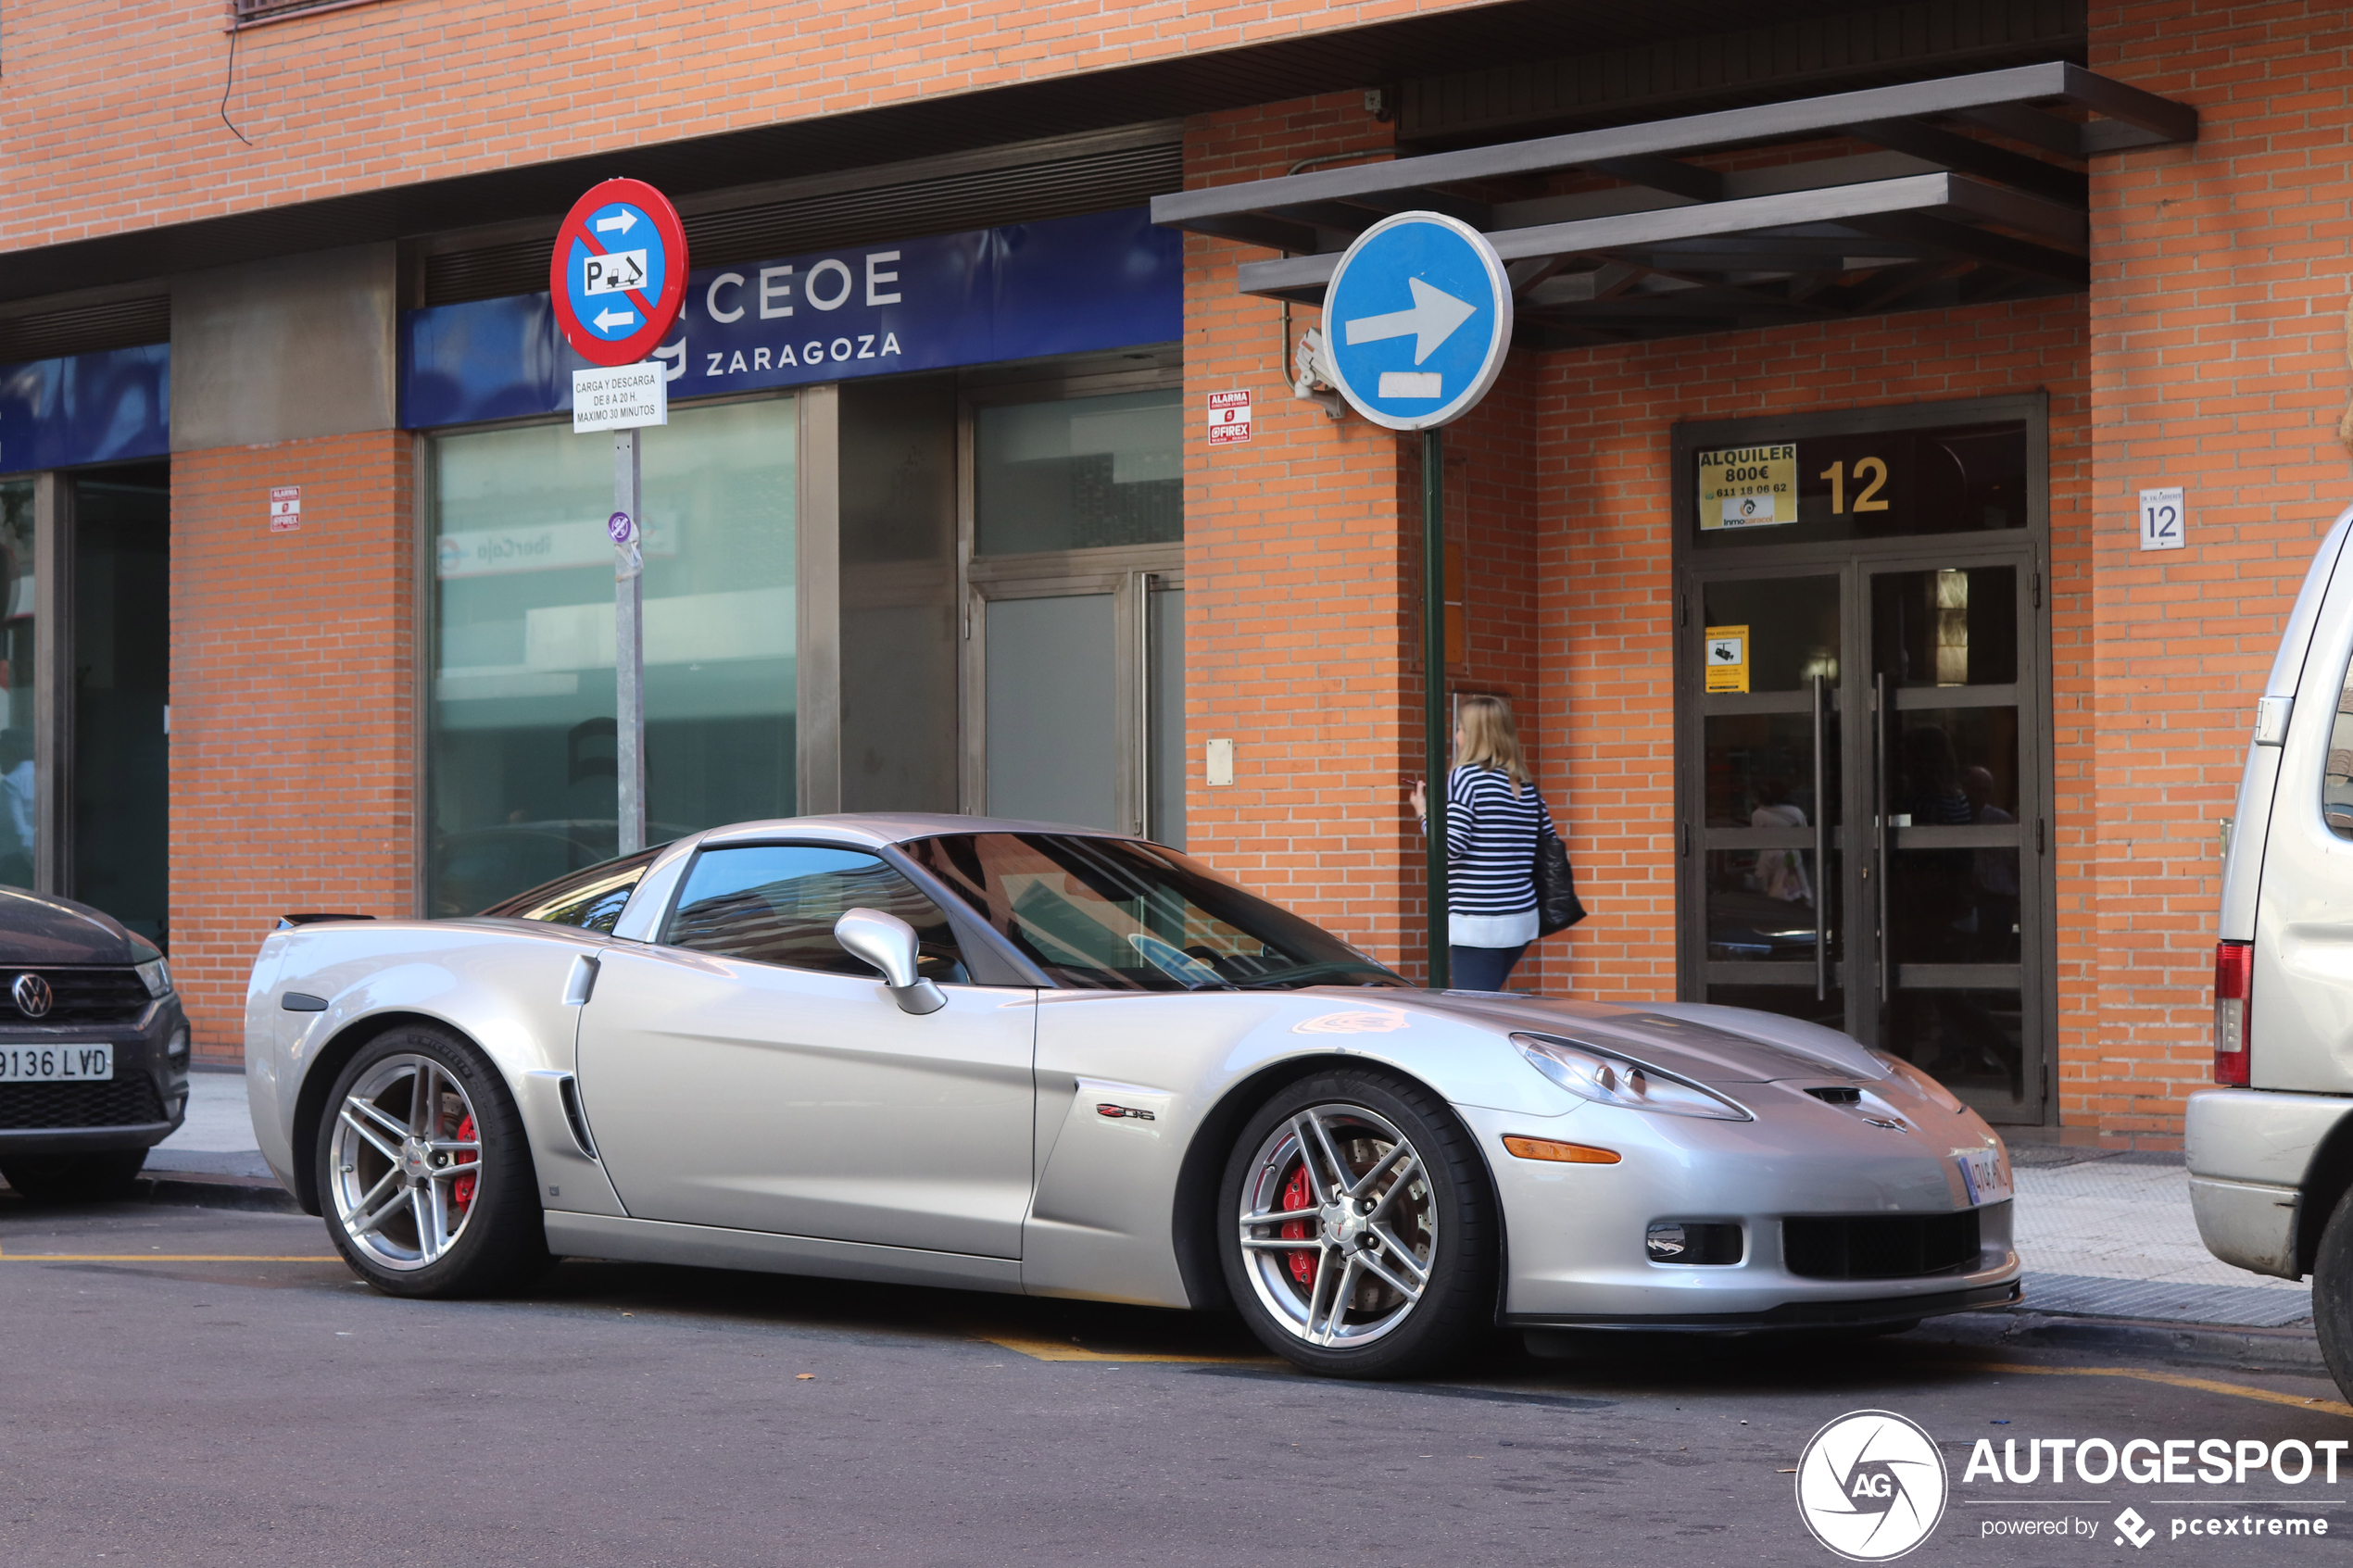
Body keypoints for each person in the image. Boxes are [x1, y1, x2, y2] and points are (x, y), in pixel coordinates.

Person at [1405, 695, 1559, 992]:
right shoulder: (1524, 785)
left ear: (1474, 736)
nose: (1457, 736)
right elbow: (1547, 843)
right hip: (1520, 918)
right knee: (1486, 1002)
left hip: (1478, 921)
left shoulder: (1465, 778)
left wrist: (1423, 811)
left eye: (1461, 729)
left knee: (1475, 1010)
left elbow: (1451, 846)